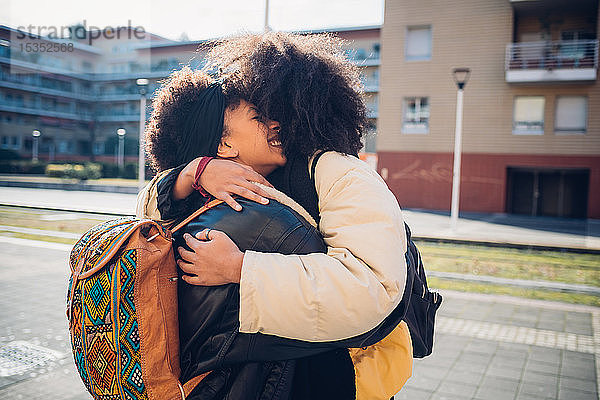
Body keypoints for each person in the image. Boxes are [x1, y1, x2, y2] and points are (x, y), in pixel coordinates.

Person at [138, 32, 412, 400]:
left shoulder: (338, 173)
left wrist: (240, 269)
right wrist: (189, 174)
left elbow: (371, 288)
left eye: (275, 114)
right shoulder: (212, 185)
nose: (276, 125)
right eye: (259, 117)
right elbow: (144, 226)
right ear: (223, 144)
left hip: (343, 376)